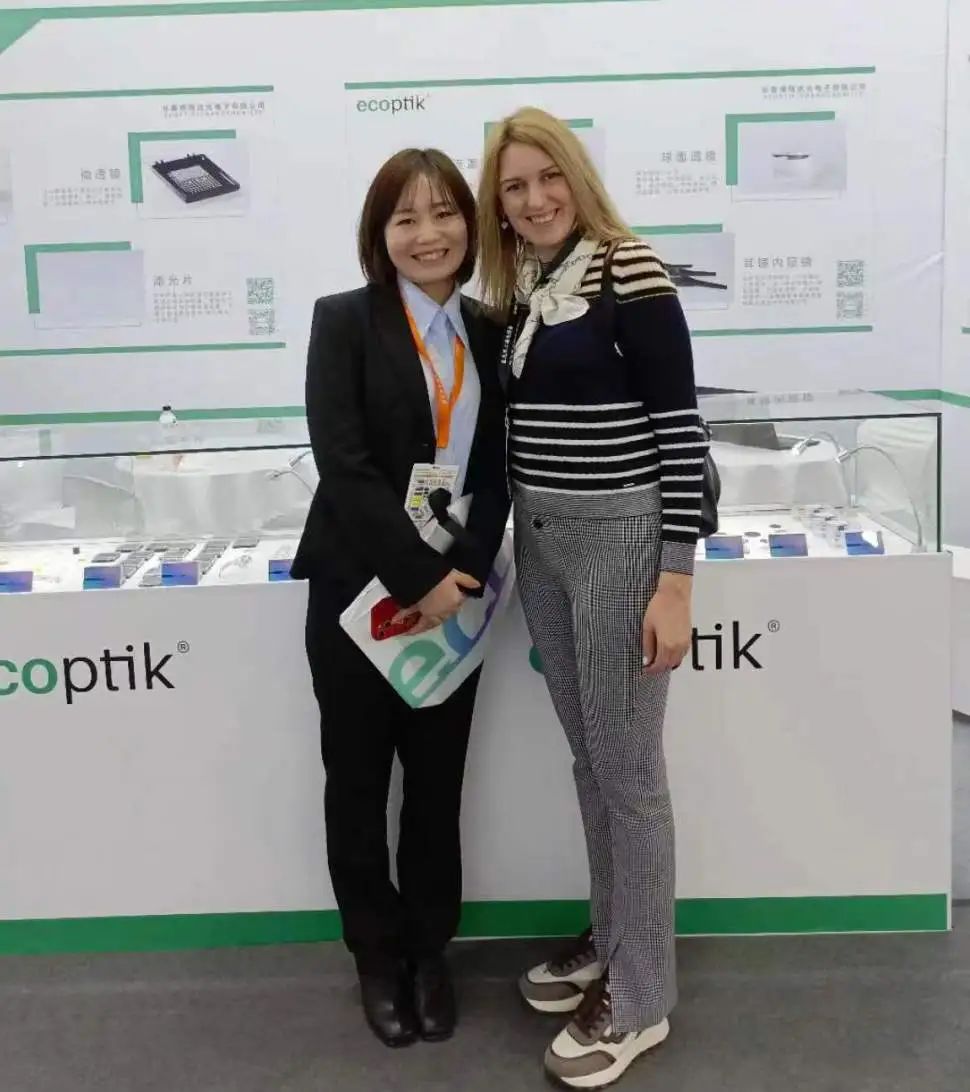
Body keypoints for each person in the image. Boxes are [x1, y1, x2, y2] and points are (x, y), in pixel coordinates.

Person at [477, 107, 708, 1089]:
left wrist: (675, 578)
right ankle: (613, 937)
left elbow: (680, 428)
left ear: (576, 176)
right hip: (544, 543)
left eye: (548, 177)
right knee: (592, 761)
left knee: (631, 775)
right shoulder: (528, 284)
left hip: (621, 543)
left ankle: (643, 996)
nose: (535, 199)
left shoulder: (629, 269)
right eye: (514, 186)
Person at [291, 148, 509, 1048]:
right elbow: (342, 464)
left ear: (469, 223)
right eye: (406, 218)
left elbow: (496, 471)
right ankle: (375, 957)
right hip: (358, 597)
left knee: (435, 785)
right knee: (356, 784)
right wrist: (416, 579)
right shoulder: (344, 321)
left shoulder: (493, 329)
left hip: (456, 596)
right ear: (379, 235)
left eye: (444, 212)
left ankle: (428, 951)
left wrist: (459, 576)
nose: (429, 234)